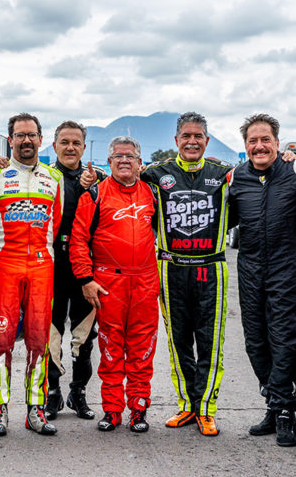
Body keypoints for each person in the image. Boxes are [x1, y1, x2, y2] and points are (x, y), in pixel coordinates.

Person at [228, 114, 296, 447]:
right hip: (250, 267)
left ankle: (283, 410)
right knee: (255, 342)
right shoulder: (236, 177)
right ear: (245, 146)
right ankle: (274, 400)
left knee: (283, 340)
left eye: (265, 139)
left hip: (286, 267)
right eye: (252, 141)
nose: (259, 146)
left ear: (277, 143)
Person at [142, 112, 233, 436]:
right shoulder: (156, 174)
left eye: (198, 137)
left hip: (211, 267)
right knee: (178, 342)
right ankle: (187, 405)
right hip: (172, 269)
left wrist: (290, 158)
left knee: (210, 343)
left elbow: (264, 171)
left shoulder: (225, 174)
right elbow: (120, 175)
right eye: (186, 136)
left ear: (207, 141)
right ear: (176, 140)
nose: (192, 142)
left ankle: (206, 409)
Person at [0, 113, 63, 436]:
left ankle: (35, 409)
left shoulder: (54, 178)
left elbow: (56, 222)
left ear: (41, 139)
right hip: (6, 266)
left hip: (42, 267)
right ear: (10, 139)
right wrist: (0, 254)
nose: (26, 140)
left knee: (39, 341)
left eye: (31, 135)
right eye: (20, 135)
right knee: (1, 342)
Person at [70, 136, 159, 433]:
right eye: (118, 156)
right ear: (108, 162)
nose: (124, 160)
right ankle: (112, 409)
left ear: (139, 162)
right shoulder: (94, 194)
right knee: (110, 348)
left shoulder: (152, 194)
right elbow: (78, 241)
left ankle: (139, 408)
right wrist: (86, 278)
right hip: (109, 281)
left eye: (130, 156)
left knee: (143, 347)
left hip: (145, 280)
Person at [44, 121, 104, 420]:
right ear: (54, 145)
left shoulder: (99, 179)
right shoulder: (43, 177)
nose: (70, 147)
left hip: (85, 269)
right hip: (51, 267)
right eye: (64, 142)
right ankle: (52, 393)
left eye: (76, 143)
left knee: (84, 336)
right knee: (51, 334)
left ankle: (78, 393)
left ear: (83, 147)